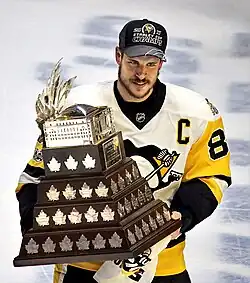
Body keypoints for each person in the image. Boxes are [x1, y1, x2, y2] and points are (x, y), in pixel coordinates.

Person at [15, 18, 231, 283]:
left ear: (162, 63)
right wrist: (37, 223)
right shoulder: (77, 107)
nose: (142, 73)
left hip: (161, 259)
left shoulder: (196, 112)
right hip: (85, 258)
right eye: (133, 63)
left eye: (151, 64)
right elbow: (36, 175)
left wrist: (181, 215)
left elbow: (211, 176)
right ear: (118, 56)